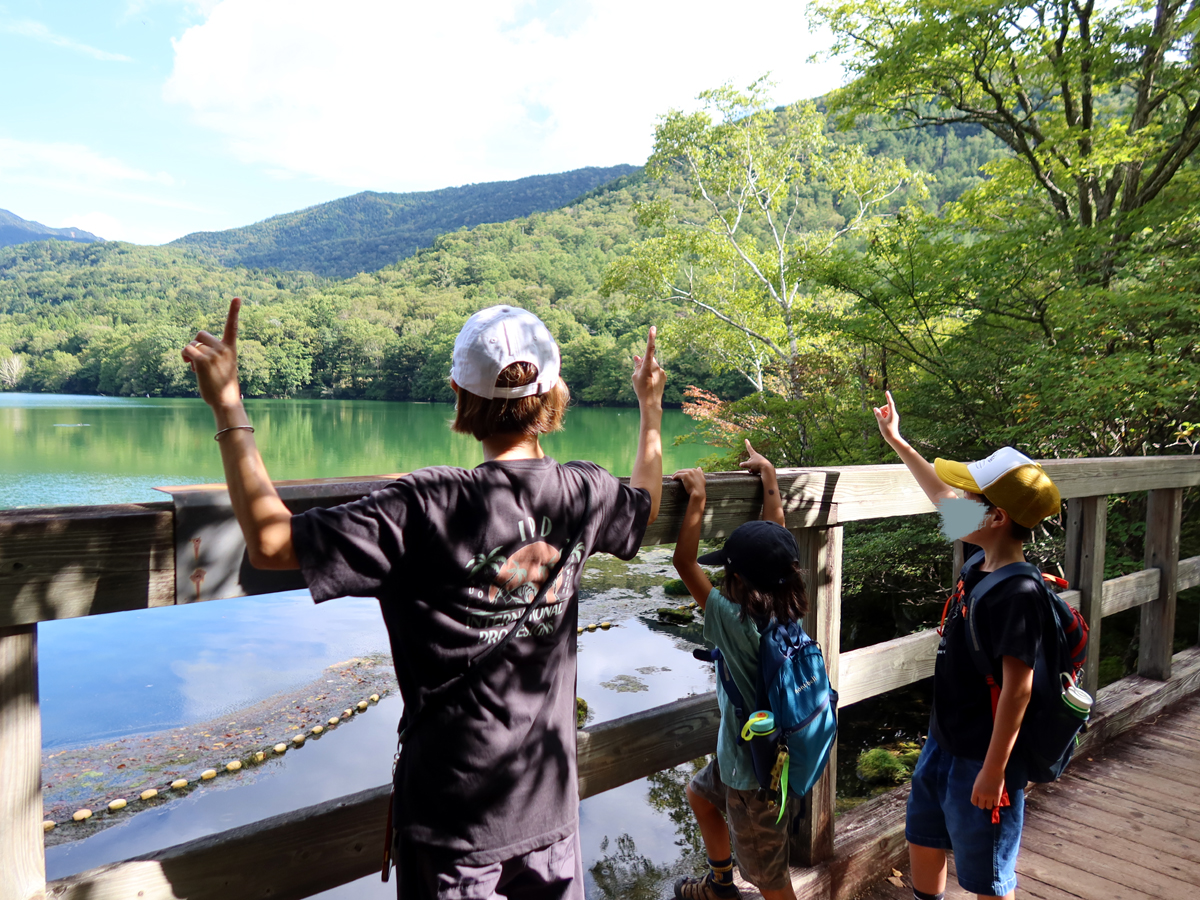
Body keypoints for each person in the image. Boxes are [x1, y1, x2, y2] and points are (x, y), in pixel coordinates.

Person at [182, 300, 667, 900]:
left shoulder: (424, 504)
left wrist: (228, 405)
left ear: (458, 392)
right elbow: (643, 502)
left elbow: (271, 541)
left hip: (452, 827)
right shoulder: (585, 491)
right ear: (554, 393)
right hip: (549, 812)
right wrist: (650, 410)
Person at [873, 390, 1061, 900]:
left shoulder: (1019, 593)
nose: (958, 503)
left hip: (985, 755)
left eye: (971, 498)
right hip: (945, 740)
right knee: (924, 837)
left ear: (997, 517)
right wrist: (898, 442)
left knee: (986, 871)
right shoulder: (981, 560)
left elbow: (1018, 689)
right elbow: (941, 497)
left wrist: (996, 770)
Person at [669, 440, 807, 900]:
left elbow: (683, 562)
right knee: (697, 795)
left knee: (772, 881)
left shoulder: (731, 619)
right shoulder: (788, 604)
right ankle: (720, 885)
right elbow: (776, 535)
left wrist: (698, 498)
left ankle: (736, 885)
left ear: (738, 579)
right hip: (752, 759)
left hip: (752, 779)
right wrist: (768, 477)